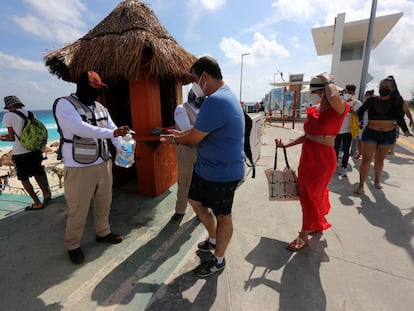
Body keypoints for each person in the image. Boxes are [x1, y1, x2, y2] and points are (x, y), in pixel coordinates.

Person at [160, 56, 245, 277]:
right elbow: (198, 129)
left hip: (223, 172)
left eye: (195, 80)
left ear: (205, 77)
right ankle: (213, 238)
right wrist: (181, 134)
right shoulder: (222, 96)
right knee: (195, 200)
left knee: (224, 216)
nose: (194, 85)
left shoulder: (215, 100)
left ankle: (218, 259)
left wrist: (175, 140)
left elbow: (194, 138)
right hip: (207, 169)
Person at [53, 71, 130, 264]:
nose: (96, 93)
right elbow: (80, 129)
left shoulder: (101, 107)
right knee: (77, 208)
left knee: (105, 201)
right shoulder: (64, 104)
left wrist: (123, 147)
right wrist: (113, 132)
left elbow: (113, 129)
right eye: (93, 88)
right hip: (78, 166)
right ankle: (73, 244)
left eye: (99, 88)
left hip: (103, 162)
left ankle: (103, 232)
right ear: (82, 85)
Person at [274, 73, 349, 251]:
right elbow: (308, 135)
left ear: (323, 90)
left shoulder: (339, 108)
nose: (317, 95)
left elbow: (332, 96)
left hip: (323, 159)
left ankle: (304, 235)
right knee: (309, 193)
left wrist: (328, 79)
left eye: (318, 91)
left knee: (310, 196)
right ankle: (315, 223)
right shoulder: (314, 109)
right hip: (308, 156)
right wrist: (286, 145)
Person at [355, 76, 412, 194]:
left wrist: (405, 131)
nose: (383, 88)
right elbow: (360, 111)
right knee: (366, 159)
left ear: (392, 88)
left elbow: (399, 117)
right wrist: (360, 121)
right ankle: (361, 185)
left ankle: (376, 181)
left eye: (386, 87)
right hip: (371, 132)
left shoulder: (396, 101)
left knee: (379, 160)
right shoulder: (372, 100)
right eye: (381, 86)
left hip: (387, 134)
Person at [1, 95, 51, 210]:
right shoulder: (30, 113)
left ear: (11, 106)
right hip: (34, 149)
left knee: (23, 178)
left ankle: (37, 203)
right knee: (37, 173)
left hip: (20, 152)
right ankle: (46, 194)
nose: (8, 110)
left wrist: (2, 138)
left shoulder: (8, 115)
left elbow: (11, 137)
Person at [171, 89, 204, 222]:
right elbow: (186, 130)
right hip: (187, 153)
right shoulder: (181, 109)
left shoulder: (202, 110)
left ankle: (201, 212)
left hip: (202, 153)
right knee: (185, 183)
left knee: (202, 184)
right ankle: (180, 210)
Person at [334, 84, 362, 177]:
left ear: (353, 93)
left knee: (346, 150)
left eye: (350, 92)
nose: (347, 94)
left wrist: (351, 111)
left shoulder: (357, 103)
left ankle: (344, 168)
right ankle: (334, 165)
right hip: (337, 130)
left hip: (348, 131)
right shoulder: (339, 101)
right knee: (335, 149)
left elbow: (360, 115)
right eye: (346, 92)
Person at [354, 90, 373, 159]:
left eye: (367, 95)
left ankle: (366, 155)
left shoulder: (373, 106)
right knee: (359, 140)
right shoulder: (363, 105)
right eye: (366, 95)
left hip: (370, 126)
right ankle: (360, 153)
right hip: (362, 125)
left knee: (368, 142)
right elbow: (358, 112)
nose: (366, 97)